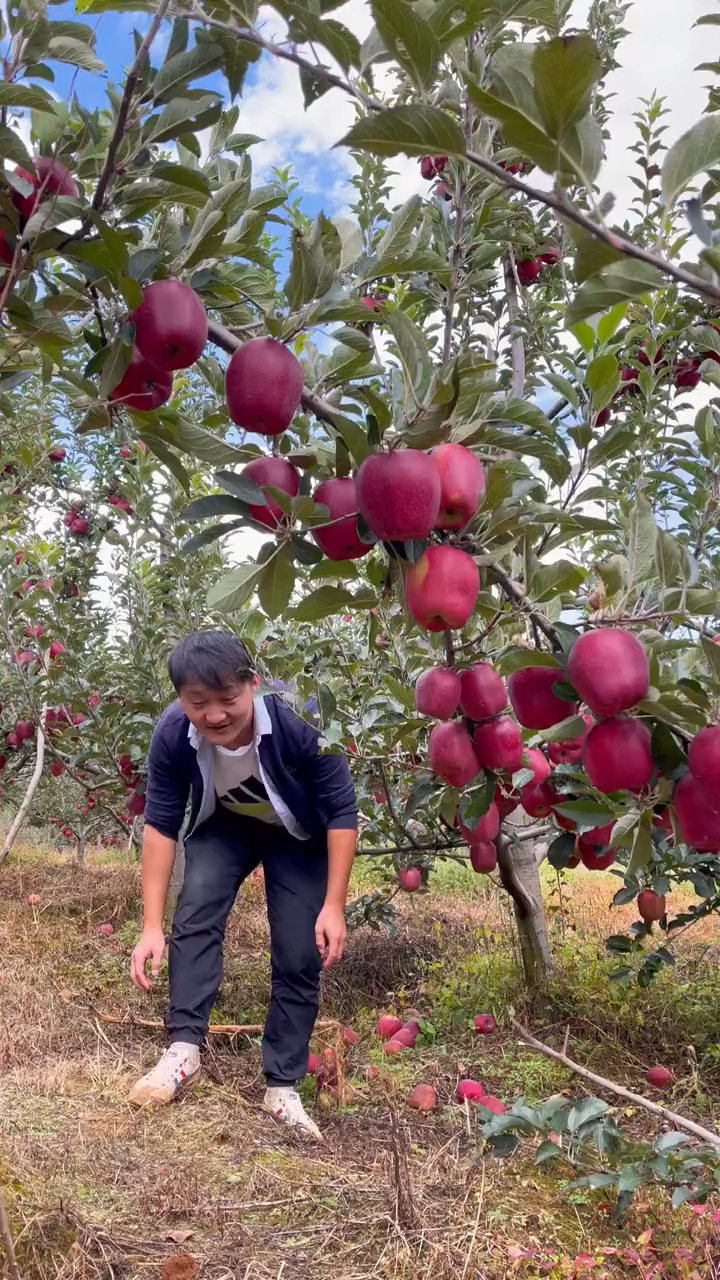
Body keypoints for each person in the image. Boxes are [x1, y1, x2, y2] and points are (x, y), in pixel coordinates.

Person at [128, 629, 357, 1140]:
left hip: (297, 834)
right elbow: (161, 824)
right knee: (195, 915)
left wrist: (335, 905)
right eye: (197, 702)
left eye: (228, 699)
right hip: (225, 825)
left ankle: (282, 1086)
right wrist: (149, 926)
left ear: (253, 683)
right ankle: (184, 1050)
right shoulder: (172, 734)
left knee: (300, 950)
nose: (214, 715)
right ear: (180, 699)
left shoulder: (301, 718)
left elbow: (342, 812)